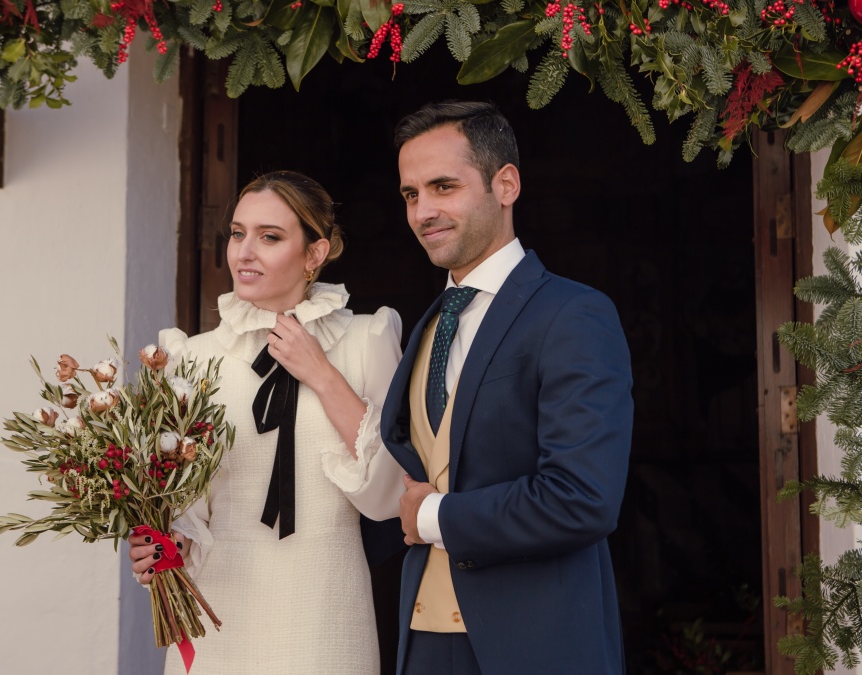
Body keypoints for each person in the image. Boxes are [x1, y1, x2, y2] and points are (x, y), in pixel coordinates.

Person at [382, 101, 634, 675]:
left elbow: (583, 498)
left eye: (443, 186)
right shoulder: (428, 326)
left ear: (506, 184)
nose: (424, 211)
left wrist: (434, 519)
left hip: (535, 641)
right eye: (410, 194)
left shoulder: (573, 314)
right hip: (423, 639)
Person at [127, 170, 406, 675]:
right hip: (219, 613)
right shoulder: (191, 357)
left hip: (327, 611)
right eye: (237, 233)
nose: (244, 252)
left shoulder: (368, 339)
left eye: (269, 237)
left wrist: (321, 372)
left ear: (315, 254)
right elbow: (186, 507)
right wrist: (166, 544)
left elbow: (389, 492)